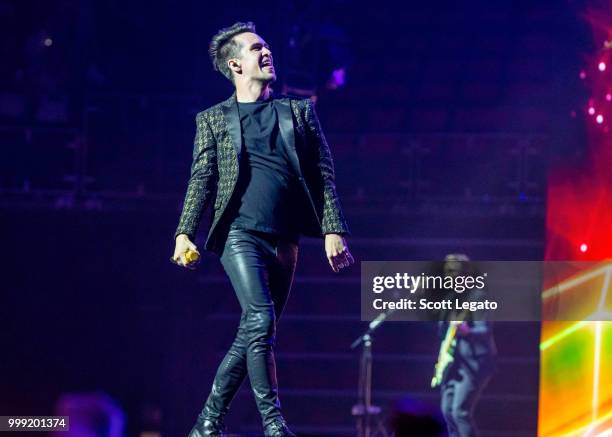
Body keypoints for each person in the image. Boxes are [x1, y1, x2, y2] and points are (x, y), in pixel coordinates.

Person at [171, 21, 354, 437]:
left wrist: (333, 228)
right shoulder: (214, 119)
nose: (266, 52)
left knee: (257, 328)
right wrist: (185, 233)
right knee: (260, 318)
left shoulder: (299, 112)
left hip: (285, 238)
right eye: (256, 48)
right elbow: (200, 179)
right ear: (235, 63)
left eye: (267, 45)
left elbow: (324, 174)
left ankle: (207, 422)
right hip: (239, 233)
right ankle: (274, 423)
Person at [436, 254, 496, 437]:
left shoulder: (478, 296)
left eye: (452, 271)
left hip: (475, 362)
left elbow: (485, 329)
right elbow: (442, 331)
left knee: (460, 411)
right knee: (447, 410)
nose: (448, 275)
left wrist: (466, 331)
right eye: (446, 271)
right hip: (454, 362)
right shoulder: (450, 299)